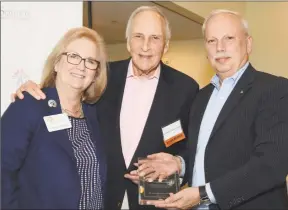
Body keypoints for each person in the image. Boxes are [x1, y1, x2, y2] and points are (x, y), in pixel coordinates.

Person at [11, 6, 199, 210]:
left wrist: (179, 163)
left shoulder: (185, 88)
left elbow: (192, 149)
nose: (146, 46)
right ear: (128, 42)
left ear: (166, 45)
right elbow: (69, 90)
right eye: (138, 36)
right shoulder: (102, 76)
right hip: (102, 199)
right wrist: (37, 91)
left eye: (155, 38)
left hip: (155, 201)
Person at [138, 9, 288, 210]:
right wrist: (179, 164)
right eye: (212, 41)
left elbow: (271, 164)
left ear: (248, 43)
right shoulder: (201, 97)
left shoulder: (276, 90)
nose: (220, 47)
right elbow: (205, 156)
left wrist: (204, 195)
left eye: (229, 38)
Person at [2, 27, 108, 209]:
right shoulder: (30, 105)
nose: (81, 66)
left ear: (95, 74)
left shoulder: (93, 115)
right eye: (73, 56)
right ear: (57, 63)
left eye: (90, 61)